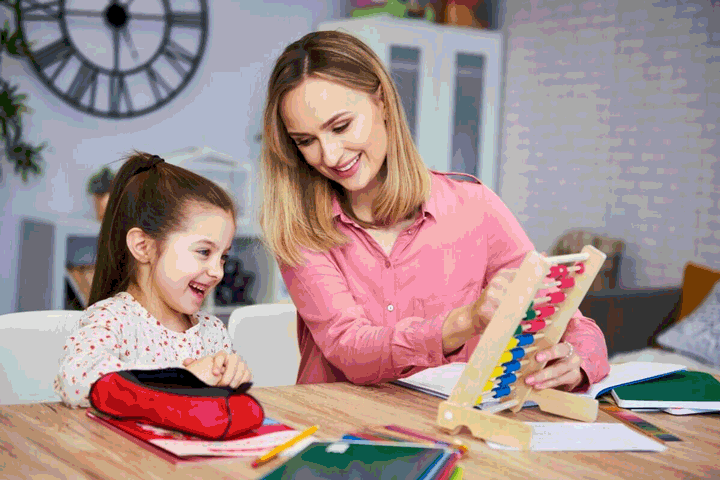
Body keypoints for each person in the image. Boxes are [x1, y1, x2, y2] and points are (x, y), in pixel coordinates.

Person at [259, 30, 610, 391]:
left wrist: (577, 362)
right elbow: (351, 350)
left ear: (381, 101)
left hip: (448, 428)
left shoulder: (474, 207)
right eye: (306, 141)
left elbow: (570, 321)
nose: (330, 155)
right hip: (339, 431)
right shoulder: (300, 232)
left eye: (341, 126)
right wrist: (465, 321)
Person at [55, 152, 252, 408]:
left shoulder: (212, 332)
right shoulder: (111, 319)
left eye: (223, 257)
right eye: (204, 252)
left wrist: (233, 375)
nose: (218, 272)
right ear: (143, 246)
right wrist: (181, 380)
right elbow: (76, 382)